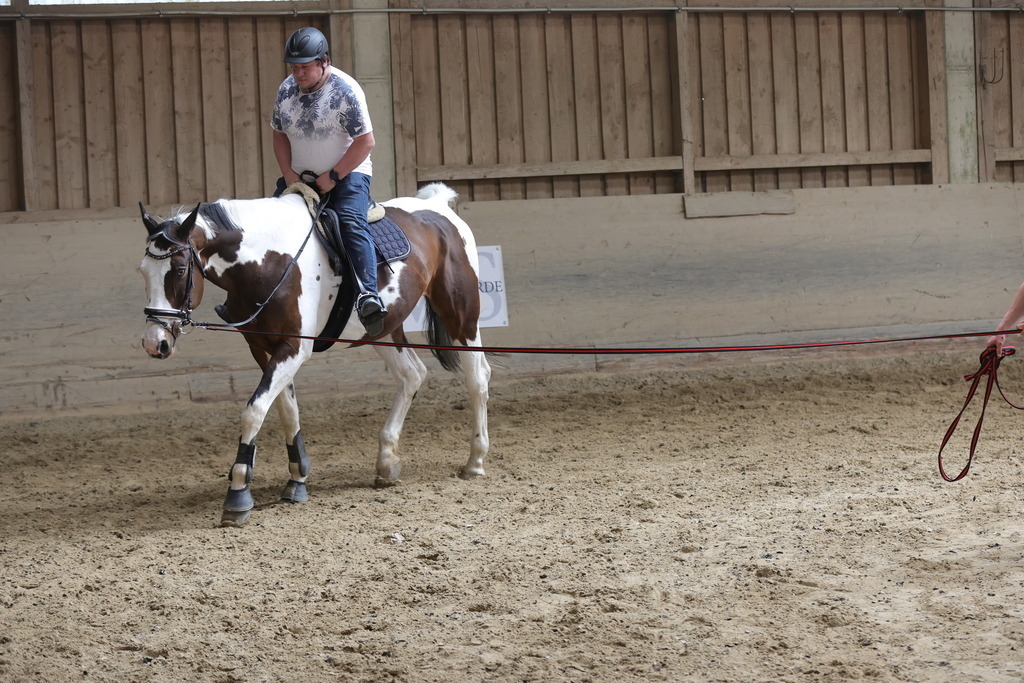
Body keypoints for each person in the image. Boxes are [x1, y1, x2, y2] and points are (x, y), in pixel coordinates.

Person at [271, 26, 386, 335]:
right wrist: (288, 174)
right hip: (300, 177)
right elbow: (278, 134)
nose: (298, 73)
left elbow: (366, 142)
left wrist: (334, 177)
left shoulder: (345, 90)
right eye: (294, 67)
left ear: (324, 62)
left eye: (305, 67)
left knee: (350, 221)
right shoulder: (286, 90)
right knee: (270, 223)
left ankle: (368, 296)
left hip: (348, 173)